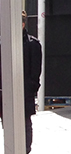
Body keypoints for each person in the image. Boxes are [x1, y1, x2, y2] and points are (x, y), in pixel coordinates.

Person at [0, 11, 42, 153]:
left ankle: (25, 150)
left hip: (24, 92)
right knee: (7, 124)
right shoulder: (3, 44)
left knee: (24, 123)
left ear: (22, 24)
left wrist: (30, 90)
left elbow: (35, 71)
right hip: (5, 93)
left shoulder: (32, 44)